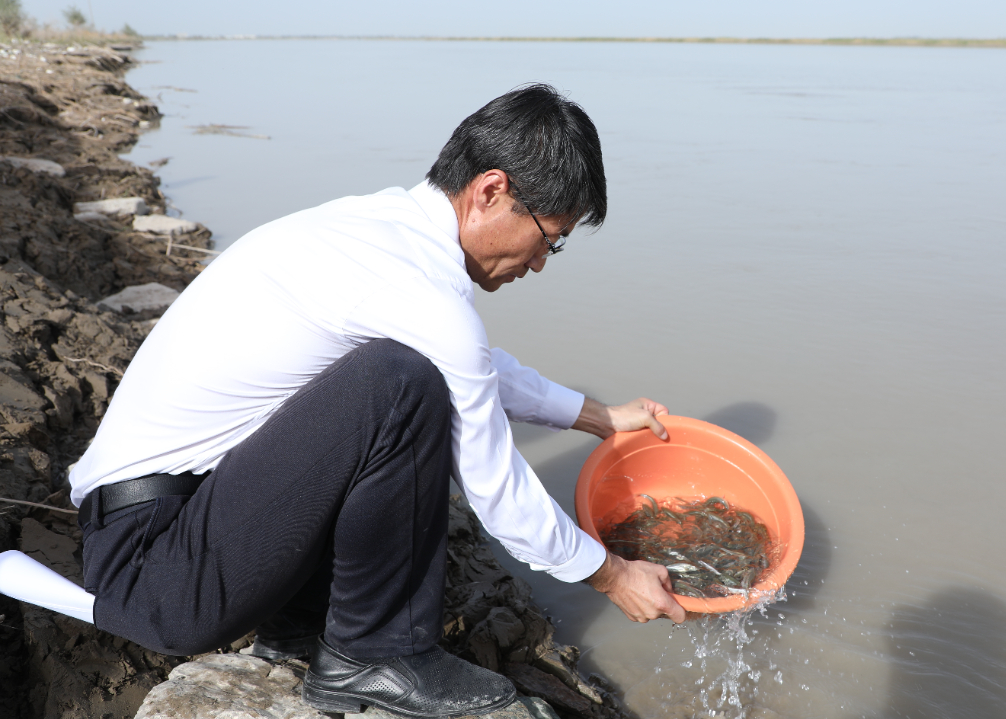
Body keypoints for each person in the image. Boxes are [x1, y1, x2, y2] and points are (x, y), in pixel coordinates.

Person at [69, 83, 687, 718]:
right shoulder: (418, 291)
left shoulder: (378, 233)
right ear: (490, 191)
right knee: (400, 384)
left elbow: (468, 364)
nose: (539, 265)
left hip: (161, 533)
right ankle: (374, 654)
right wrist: (612, 573)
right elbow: (496, 487)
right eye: (548, 239)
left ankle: (304, 628)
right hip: (158, 570)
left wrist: (598, 418)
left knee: (404, 375)